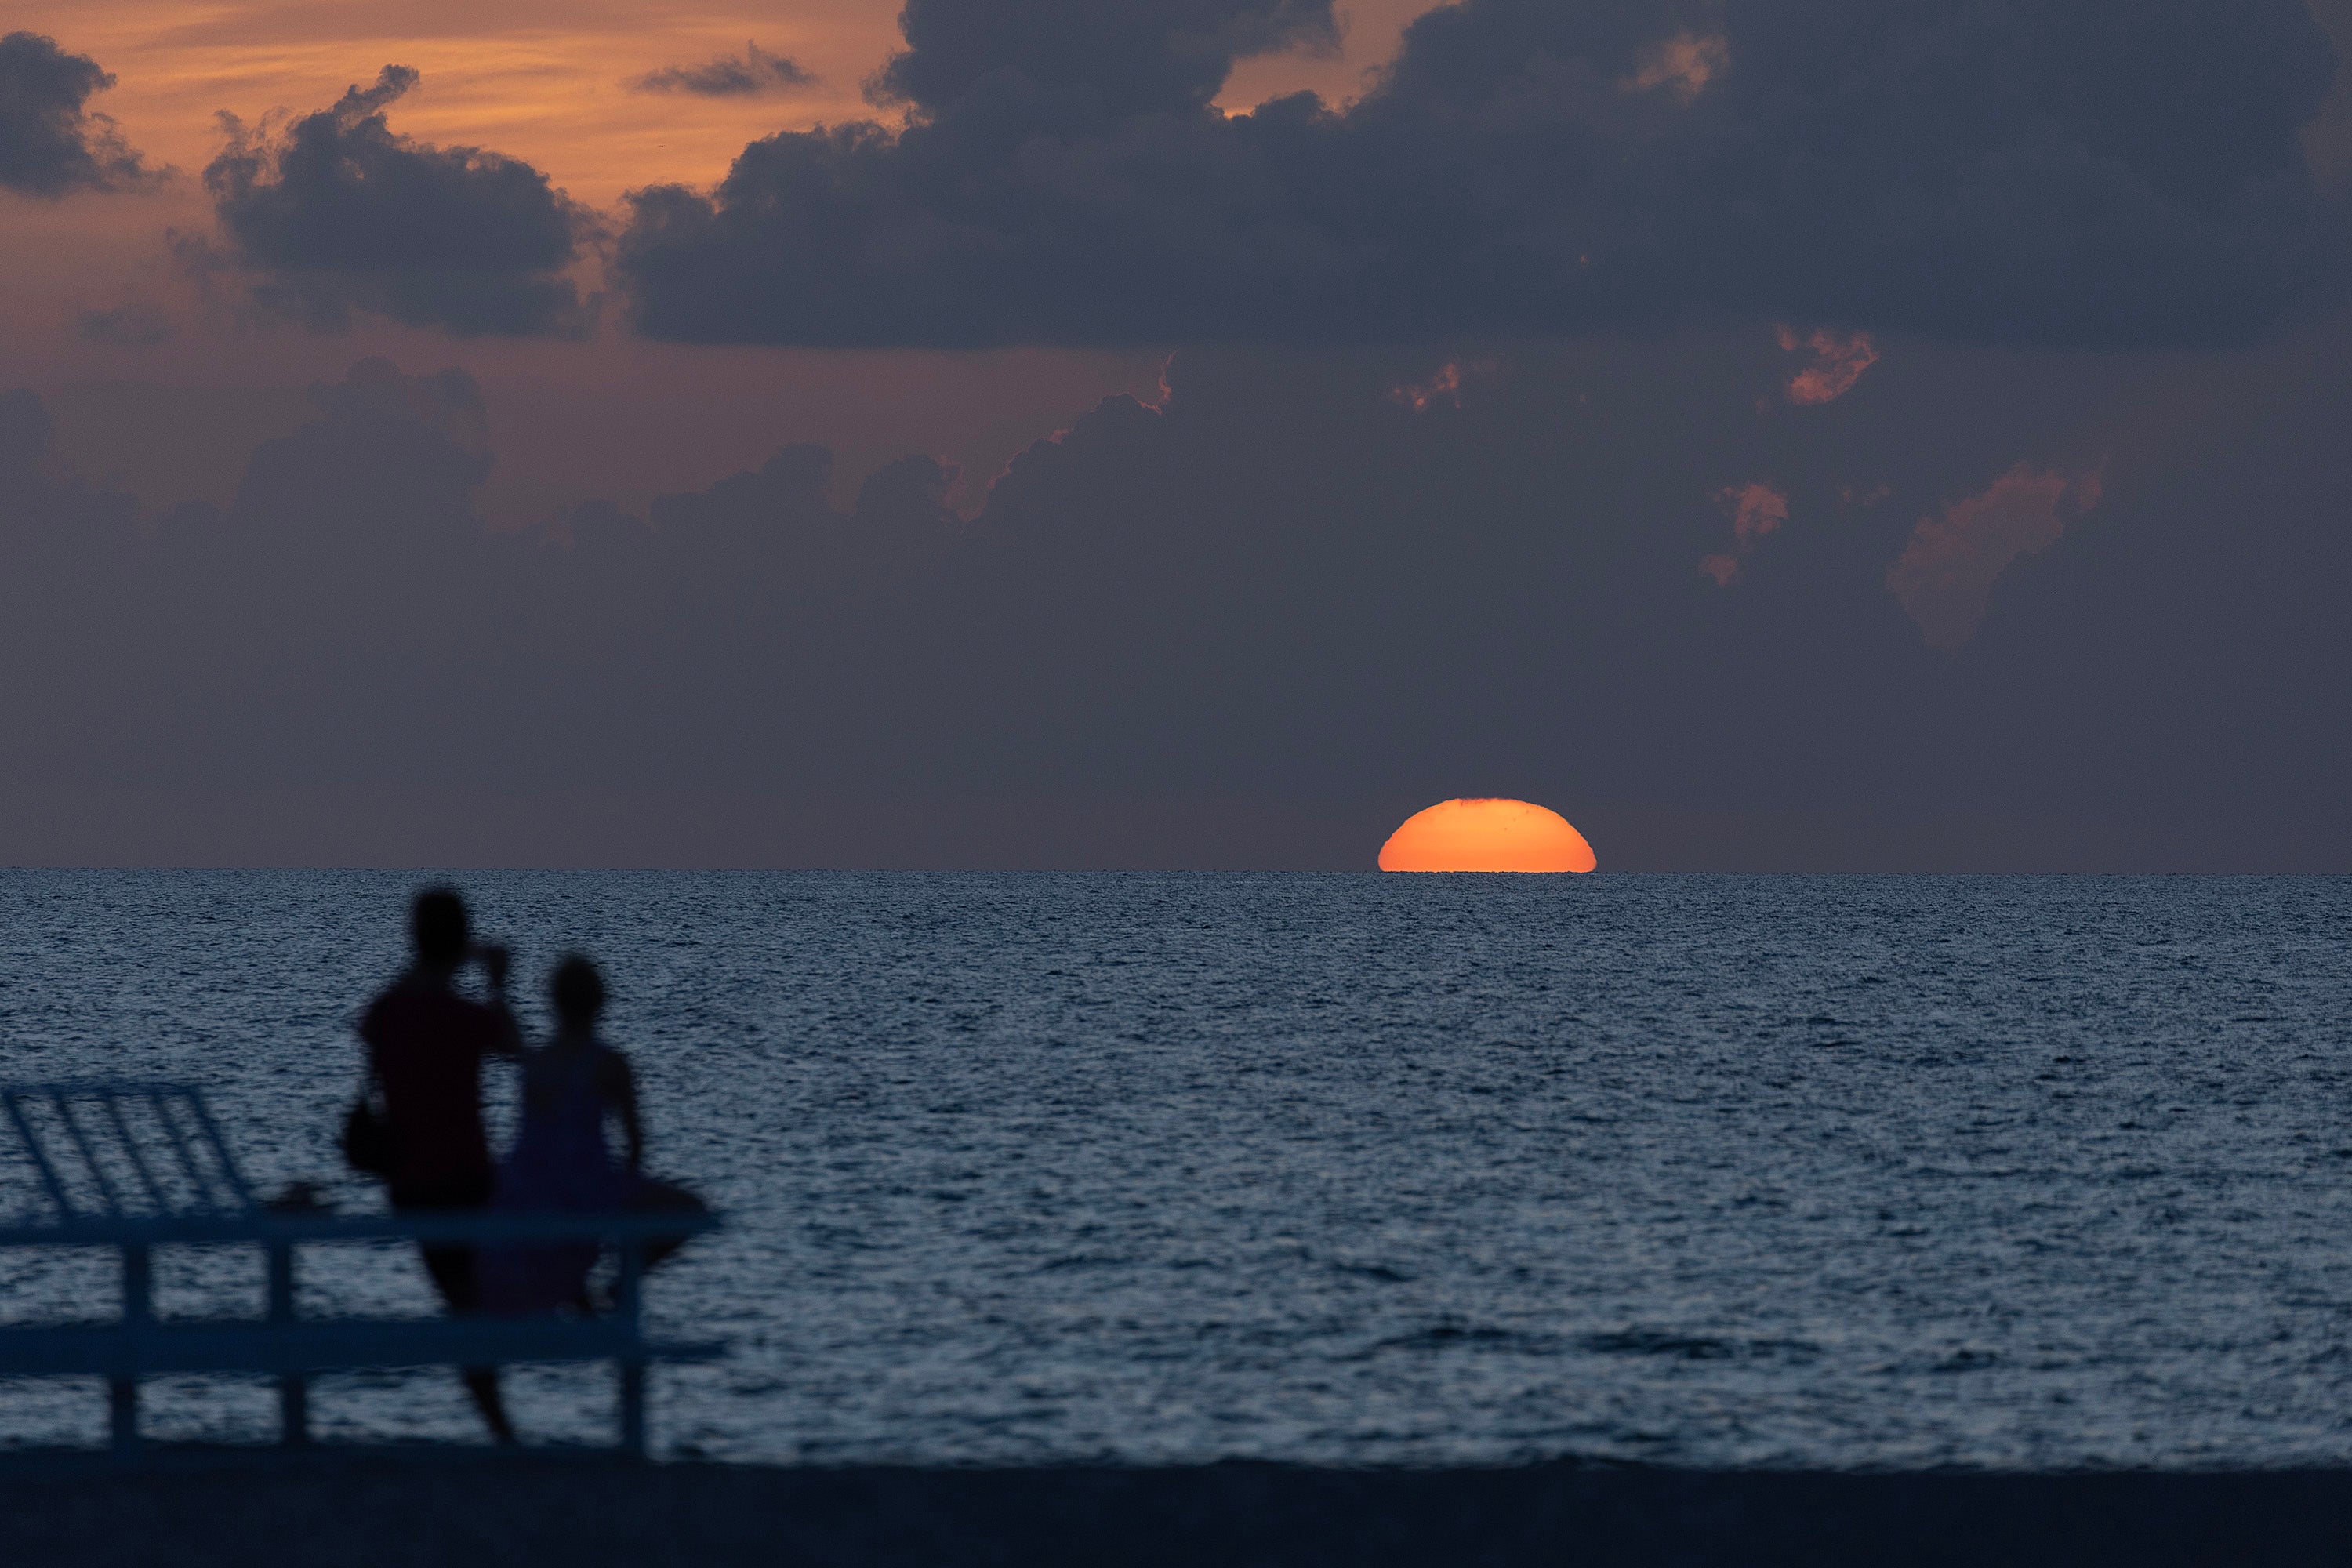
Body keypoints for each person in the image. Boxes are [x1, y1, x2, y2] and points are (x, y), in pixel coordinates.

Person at [355, 886, 521, 1443]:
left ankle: (499, 1425)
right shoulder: (464, 1016)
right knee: (475, 1303)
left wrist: (434, 965)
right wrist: (496, 981)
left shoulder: (388, 1011)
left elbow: (374, 1026)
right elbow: (514, 1045)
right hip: (472, 1184)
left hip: (412, 1186)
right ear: (460, 942)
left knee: (465, 1302)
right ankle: (500, 1426)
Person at [483, 954, 702, 1316]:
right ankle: (618, 1285)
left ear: (552, 1002)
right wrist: (625, 1189)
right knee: (690, 1210)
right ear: (601, 1002)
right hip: (585, 1184)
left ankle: (579, 1289)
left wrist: (498, 986)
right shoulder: (609, 1064)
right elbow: (634, 1141)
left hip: (528, 1186)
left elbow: (508, 1037)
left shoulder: (536, 1061)